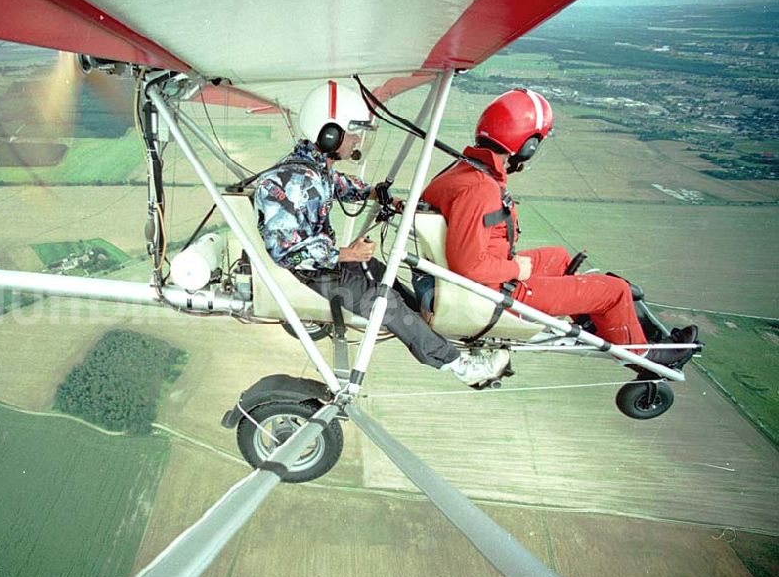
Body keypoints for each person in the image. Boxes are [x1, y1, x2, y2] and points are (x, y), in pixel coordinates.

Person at [255, 80, 510, 387]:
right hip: (310, 272)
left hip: (327, 263)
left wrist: (376, 194)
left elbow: (339, 186)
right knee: (381, 301)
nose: (357, 139)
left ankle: (430, 331)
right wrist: (344, 254)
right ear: (330, 133)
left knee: (381, 273)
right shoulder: (286, 181)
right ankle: (460, 366)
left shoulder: (313, 168)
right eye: (352, 131)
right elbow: (284, 251)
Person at [421, 88, 698, 368]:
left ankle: (600, 324)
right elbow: (468, 266)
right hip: (497, 292)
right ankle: (645, 356)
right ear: (527, 145)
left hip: (486, 280)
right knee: (614, 291)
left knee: (558, 257)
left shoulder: (462, 170)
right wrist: (516, 270)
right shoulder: (480, 189)